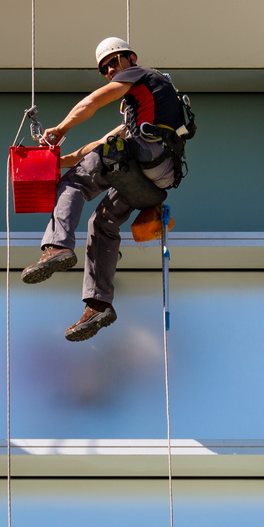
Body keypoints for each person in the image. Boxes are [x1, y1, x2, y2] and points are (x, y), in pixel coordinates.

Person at [21, 37, 191, 341]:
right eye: (104, 68)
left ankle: (57, 247)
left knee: (74, 182)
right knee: (102, 223)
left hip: (148, 153)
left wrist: (60, 130)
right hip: (155, 173)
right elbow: (100, 144)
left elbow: (93, 102)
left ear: (131, 59)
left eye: (115, 61)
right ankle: (99, 305)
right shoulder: (143, 106)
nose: (111, 69)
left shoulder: (141, 76)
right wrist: (58, 159)